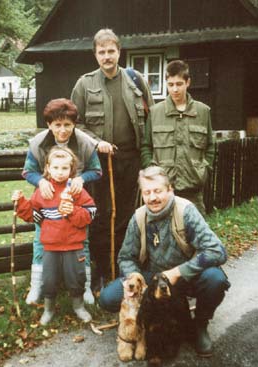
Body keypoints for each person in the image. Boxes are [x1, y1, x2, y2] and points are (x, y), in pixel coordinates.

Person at [99, 166, 230, 357]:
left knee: (215, 279)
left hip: (186, 276)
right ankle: (144, 322)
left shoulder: (186, 211)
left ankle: (199, 325)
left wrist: (178, 272)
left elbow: (217, 251)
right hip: (152, 278)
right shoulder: (139, 217)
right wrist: (133, 278)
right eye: (147, 192)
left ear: (170, 190)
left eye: (158, 191)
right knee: (108, 298)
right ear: (142, 194)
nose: (153, 198)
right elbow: (126, 257)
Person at [71, 28, 154, 287]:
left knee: (128, 215)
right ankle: (102, 269)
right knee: (100, 214)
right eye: (102, 52)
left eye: (111, 51)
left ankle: (124, 266)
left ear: (119, 51)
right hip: (99, 162)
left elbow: (150, 119)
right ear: (95, 54)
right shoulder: (84, 84)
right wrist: (97, 142)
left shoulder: (136, 80)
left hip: (131, 160)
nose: (107, 56)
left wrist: (148, 158)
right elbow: (74, 124)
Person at [22, 98, 102, 305]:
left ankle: (84, 288)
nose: (63, 130)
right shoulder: (38, 142)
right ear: (49, 124)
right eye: (57, 125)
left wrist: (81, 178)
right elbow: (27, 171)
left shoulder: (85, 142)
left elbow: (97, 170)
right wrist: (40, 181)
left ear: (74, 123)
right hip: (47, 199)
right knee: (40, 240)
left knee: (81, 240)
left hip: (75, 200)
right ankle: (37, 286)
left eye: (67, 124)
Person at [12, 147, 97, 324]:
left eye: (64, 168)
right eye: (56, 168)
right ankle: (48, 309)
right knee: (48, 280)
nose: (60, 172)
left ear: (71, 169)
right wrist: (20, 203)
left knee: (76, 279)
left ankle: (78, 306)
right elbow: (33, 216)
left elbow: (89, 215)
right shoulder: (44, 190)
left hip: (74, 246)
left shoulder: (76, 190)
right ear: (48, 168)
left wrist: (73, 211)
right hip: (50, 247)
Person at [141, 59, 214, 215]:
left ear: (188, 82)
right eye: (170, 84)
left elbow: (210, 146)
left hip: (193, 190)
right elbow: (146, 146)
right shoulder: (155, 113)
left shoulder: (203, 112)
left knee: (194, 236)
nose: (175, 89)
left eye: (179, 84)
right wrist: (152, 170)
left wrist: (204, 170)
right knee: (163, 235)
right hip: (163, 190)